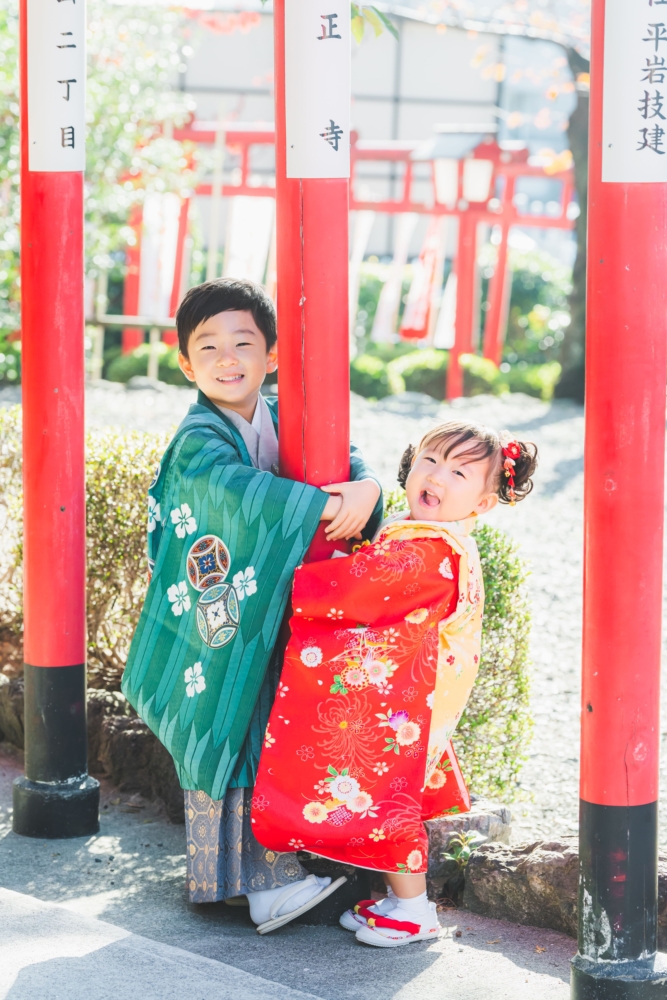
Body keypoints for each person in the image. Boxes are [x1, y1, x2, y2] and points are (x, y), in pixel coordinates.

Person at [121, 278, 383, 931]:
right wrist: (325, 506)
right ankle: (259, 887)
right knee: (224, 726)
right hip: (211, 618)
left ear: (270, 355)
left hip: (251, 607)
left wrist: (368, 484)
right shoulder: (198, 438)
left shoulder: (276, 410)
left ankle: (255, 878)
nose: (226, 357)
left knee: (258, 731)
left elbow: (340, 460)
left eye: (243, 342)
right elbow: (228, 492)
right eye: (207, 346)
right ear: (184, 363)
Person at [252, 420, 537, 946]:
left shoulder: (435, 550)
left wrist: (302, 575)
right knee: (389, 794)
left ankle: (414, 910)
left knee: (390, 803)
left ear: (483, 502)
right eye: (430, 460)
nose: (437, 476)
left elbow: (365, 592)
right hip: (419, 695)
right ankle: (396, 900)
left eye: (459, 471)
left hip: (416, 699)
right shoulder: (428, 535)